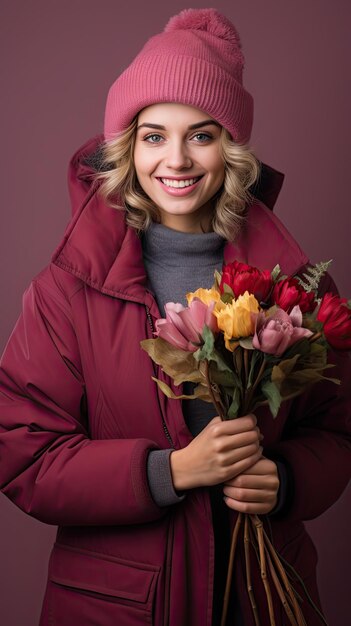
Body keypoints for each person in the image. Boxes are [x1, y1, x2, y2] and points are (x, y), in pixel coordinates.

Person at [0, 8, 350, 626]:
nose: (177, 160)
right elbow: (22, 453)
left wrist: (289, 480)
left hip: (264, 597)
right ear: (127, 148)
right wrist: (168, 471)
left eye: (202, 134)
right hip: (119, 607)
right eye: (154, 135)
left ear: (231, 147)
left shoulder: (291, 285)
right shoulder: (67, 290)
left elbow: (339, 431)